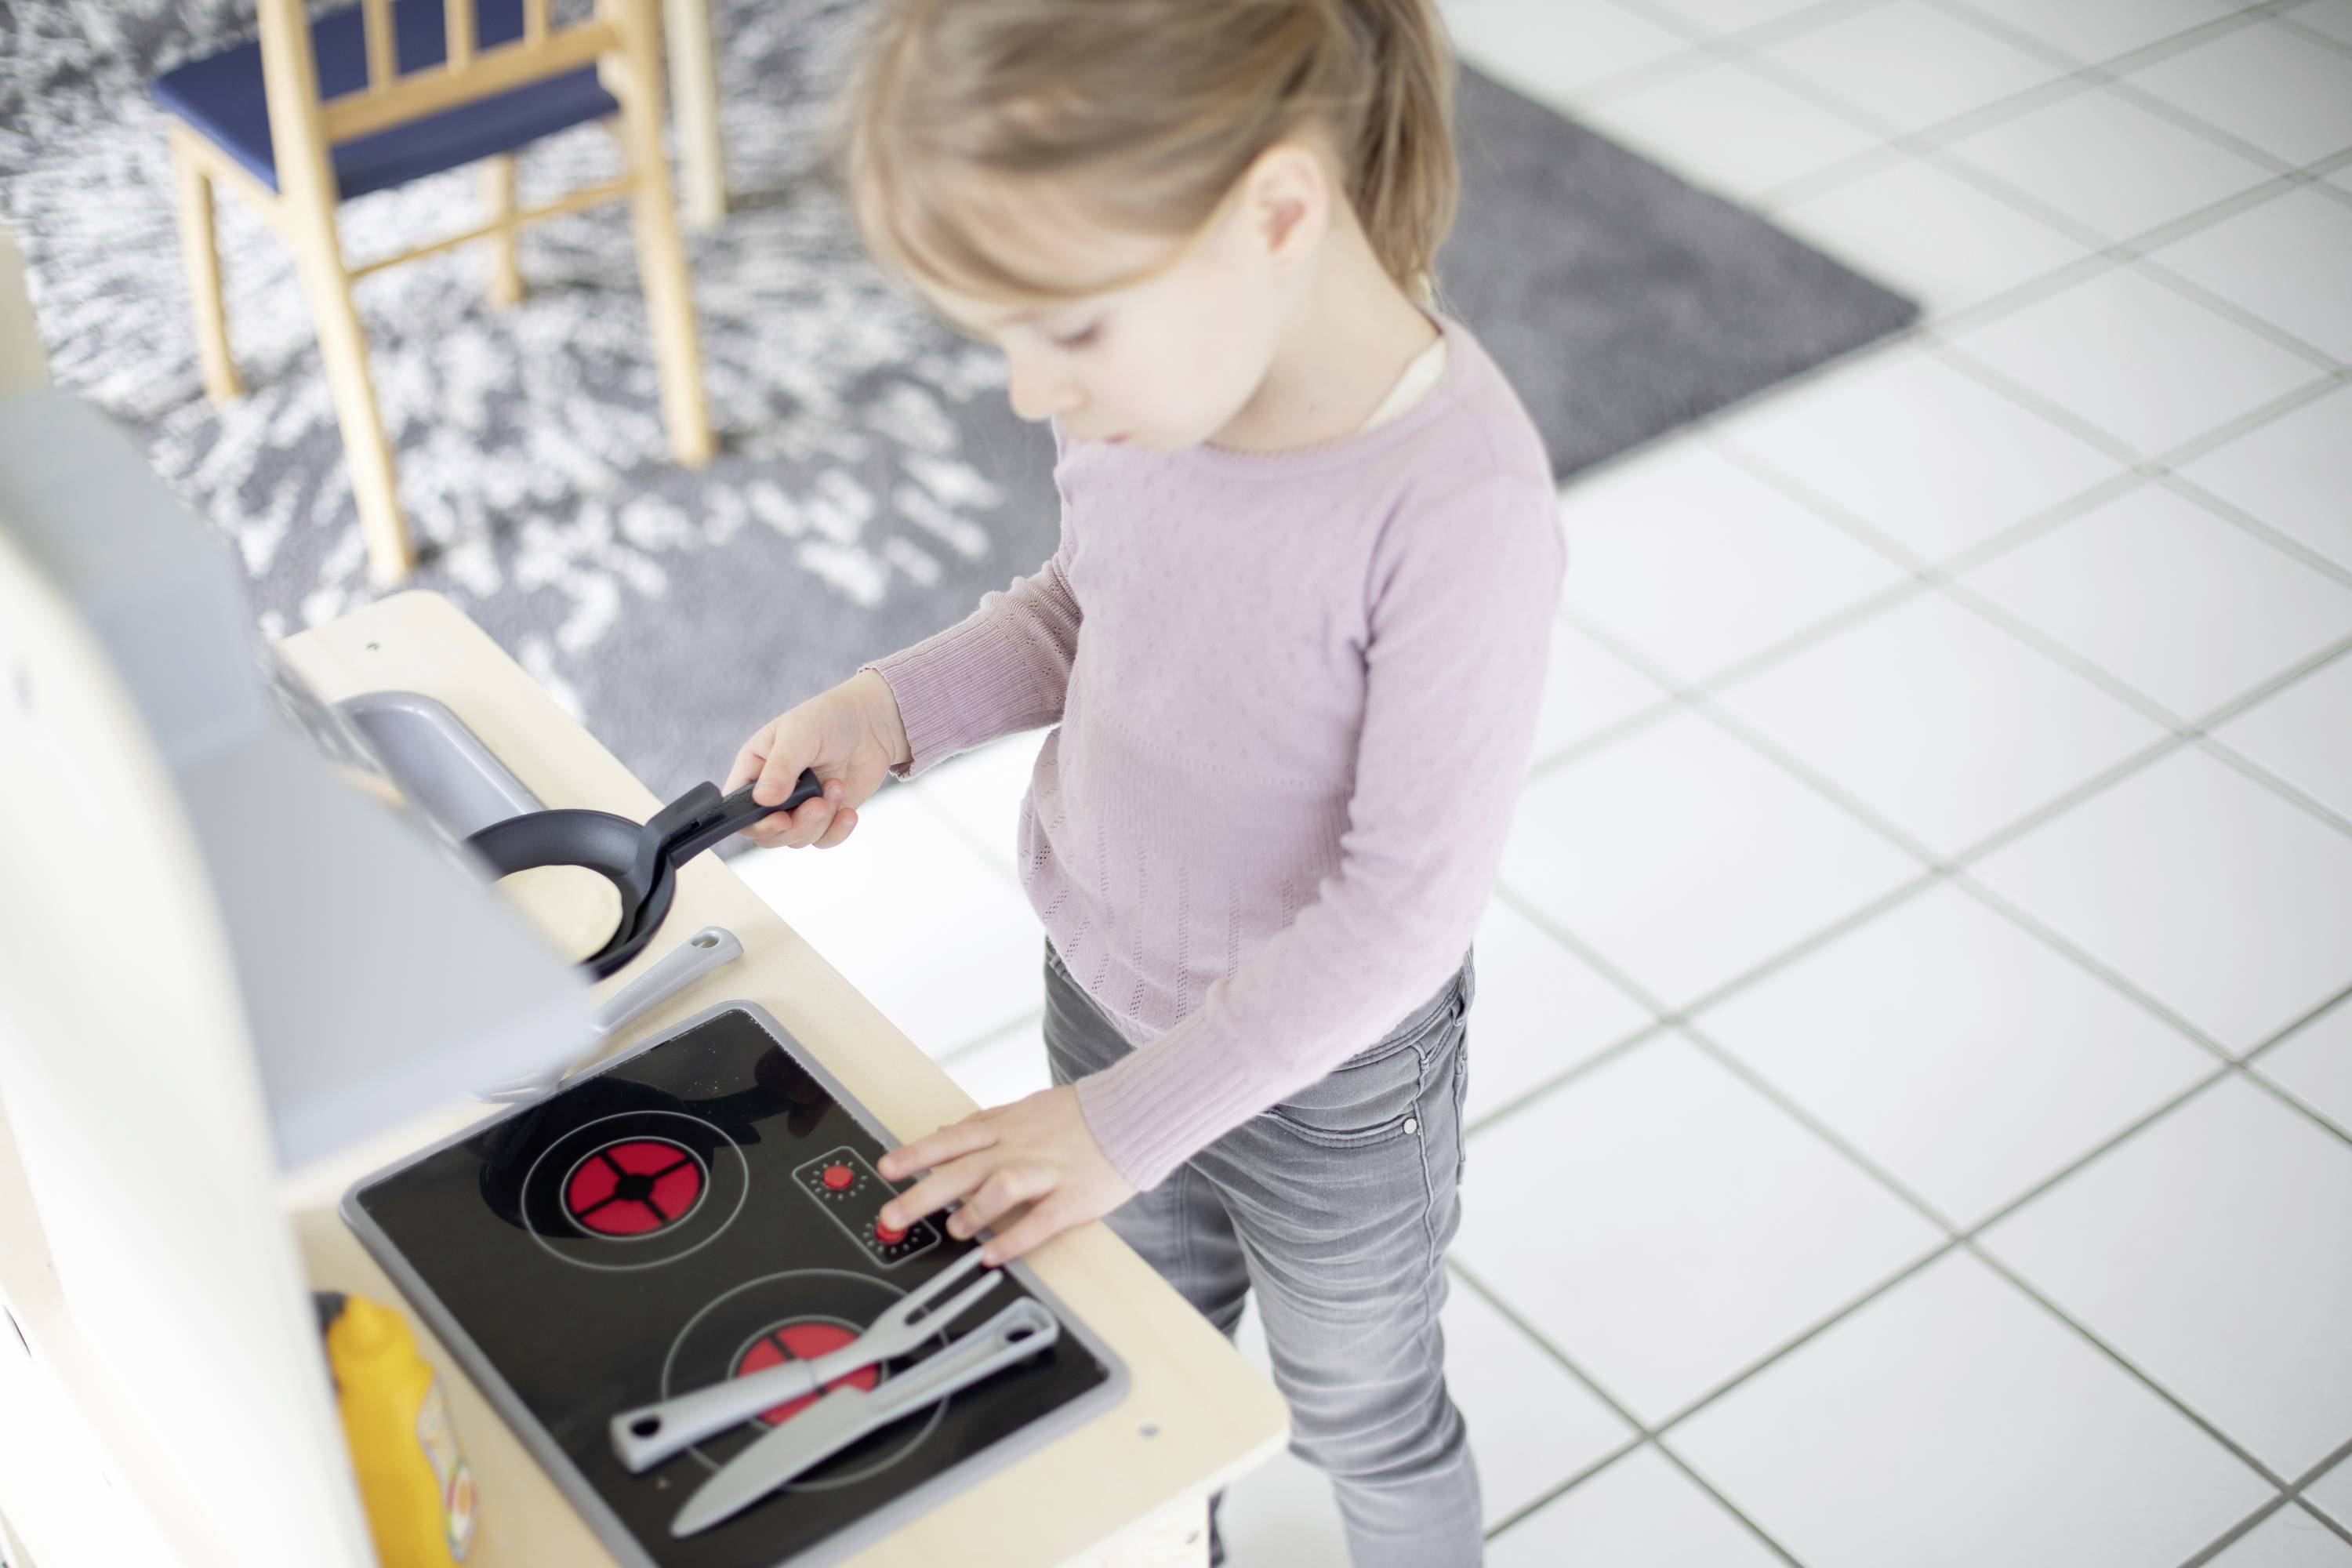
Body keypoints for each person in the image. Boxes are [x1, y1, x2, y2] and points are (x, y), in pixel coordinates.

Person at [722, 2, 1563, 1561]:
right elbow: (1089, 606)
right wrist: (890, 707)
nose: (1036, 392)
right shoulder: (1152, 390)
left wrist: (1118, 1130)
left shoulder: (1463, 508)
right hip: (1103, 994)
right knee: (1147, 1361)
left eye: (1070, 330)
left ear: (1277, 212)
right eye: (1009, 339)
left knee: (1360, 1412)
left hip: (1333, 1095)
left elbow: (1402, 917)